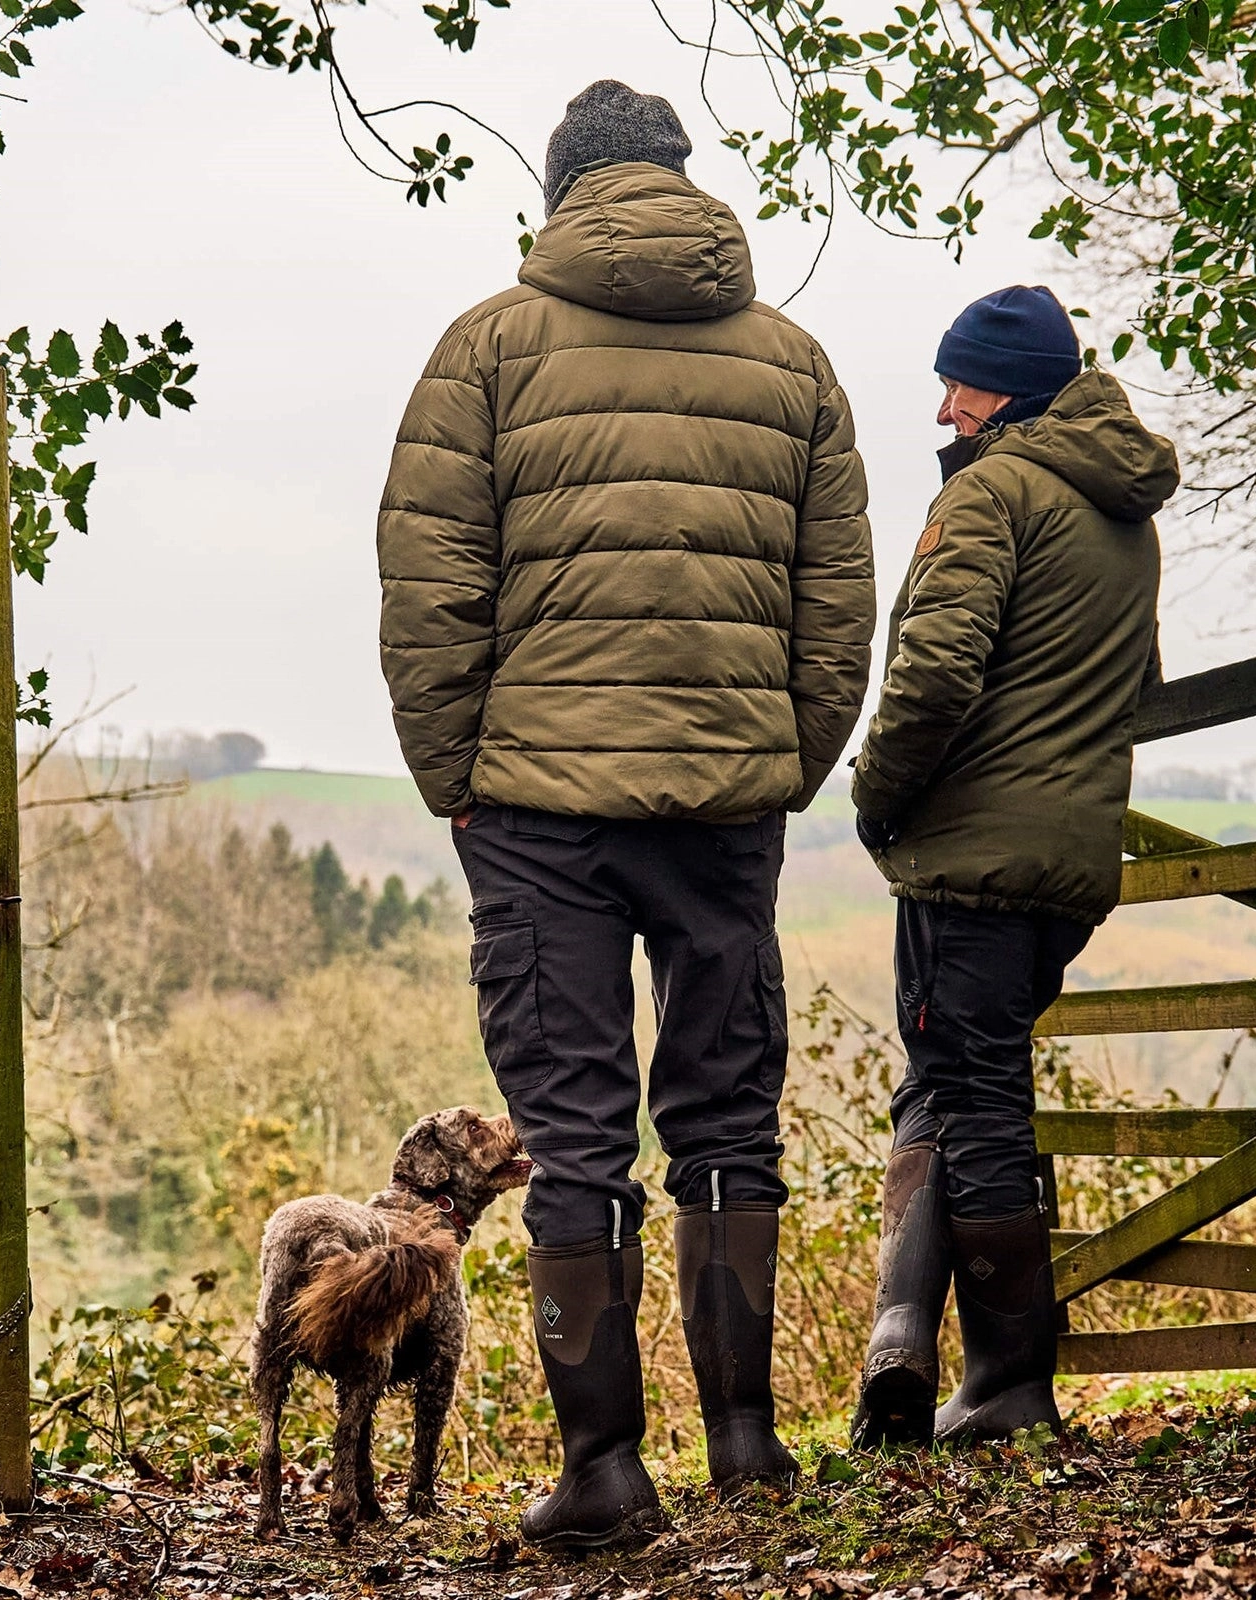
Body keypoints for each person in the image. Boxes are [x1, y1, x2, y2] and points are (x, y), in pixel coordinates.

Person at [377, 80, 875, 1548]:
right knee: (729, 1115)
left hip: (539, 811)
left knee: (576, 1134)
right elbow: (837, 607)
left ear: (561, 193)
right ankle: (746, 1446)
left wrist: (454, 778)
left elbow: (430, 587)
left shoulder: (485, 348)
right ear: (678, 178)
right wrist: (780, 762)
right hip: (727, 804)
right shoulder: (794, 362)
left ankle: (605, 1474)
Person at [848, 285, 1177, 1449]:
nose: (944, 408)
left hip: (972, 859)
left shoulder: (993, 492)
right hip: (1070, 863)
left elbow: (935, 677)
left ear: (1008, 392)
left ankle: (1003, 1380)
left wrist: (877, 797)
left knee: (975, 1097)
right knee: (952, 1080)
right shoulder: (1123, 514)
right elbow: (1132, 684)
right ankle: (903, 1342)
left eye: (960, 385)